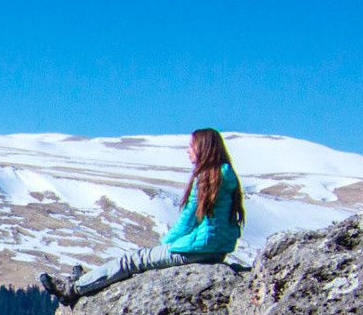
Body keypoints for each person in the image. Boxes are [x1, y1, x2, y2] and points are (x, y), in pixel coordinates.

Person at [40, 127, 245, 305]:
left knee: (131, 261)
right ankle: (86, 280)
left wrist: (164, 246)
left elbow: (187, 220)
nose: (188, 151)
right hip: (217, 250)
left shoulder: (206, 177)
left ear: (203, 148)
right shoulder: (227, 175)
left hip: (198, 249)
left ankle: (73, 289)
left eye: (191, 146)